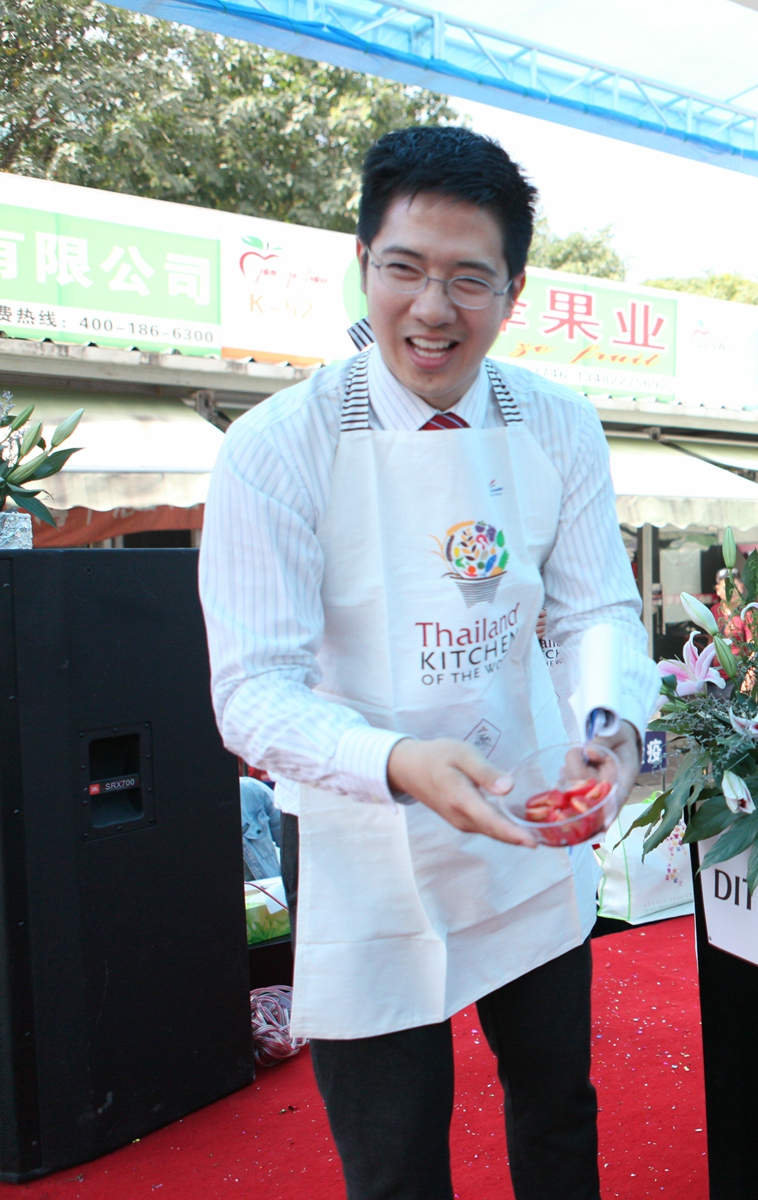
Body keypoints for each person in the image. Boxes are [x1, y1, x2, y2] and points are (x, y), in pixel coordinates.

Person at [199, 126, 657, 1199]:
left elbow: (594, 608)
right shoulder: (277, 446)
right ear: (363, 262)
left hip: (533, 802)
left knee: (558, 1106)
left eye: (469, 279)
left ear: (514, 291)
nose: (433, 309)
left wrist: (608, 725)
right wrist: (398, 760)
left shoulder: (557, 423)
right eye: (404, 269)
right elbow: (252, 690)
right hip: (361, 829)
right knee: (395, 1159)